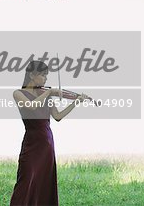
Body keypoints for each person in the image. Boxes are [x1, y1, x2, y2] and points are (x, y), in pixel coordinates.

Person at [10, 61, 87, 206]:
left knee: (45, 181)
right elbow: (31, 106)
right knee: (26, 179)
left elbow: (57, 116)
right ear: (32, 75)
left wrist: (75, 102)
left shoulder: (45, 95)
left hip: (47, 142)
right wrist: (49, 92)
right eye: (43, 75)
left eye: (47, 76)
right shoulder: (18, 93)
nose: (46, 79)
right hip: (32, 142)